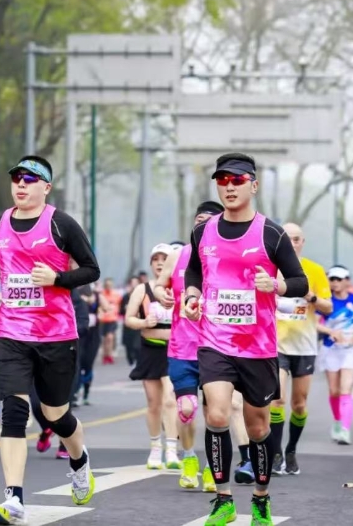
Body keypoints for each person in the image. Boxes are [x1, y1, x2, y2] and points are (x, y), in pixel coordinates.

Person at [183, 153, 309, 526]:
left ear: (253, 185)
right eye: (222, 180)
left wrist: (277, 285)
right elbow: (194, 270)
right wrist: (192, 296)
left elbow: (299, 281)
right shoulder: (203, 232)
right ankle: (223, 500)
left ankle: (260, 499)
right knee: (217, 414)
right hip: (215, 340)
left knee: (257, 428)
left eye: (237, 180)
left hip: (258, 346)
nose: (229, 186)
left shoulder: (271, 233)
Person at [0, 155, 99, 525]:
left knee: (54, 414)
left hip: (56, 335)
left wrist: (57, 279)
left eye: (30, 179)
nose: (21, 184)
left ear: (46, 187)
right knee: (14, 412)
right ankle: (13, 499)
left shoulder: (61, 223)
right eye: (17, 177)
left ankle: (79, 459)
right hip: (12, 332)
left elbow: (91, 269)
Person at [154, 203, 225, 492]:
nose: (201, 225)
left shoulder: (227, 256)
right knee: (186, 408)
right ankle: (189, 459)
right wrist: (162, 295)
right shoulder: (178, 255)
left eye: (208, 221)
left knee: (215, 414)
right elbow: (159, 284)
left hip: (216, 347)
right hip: (182, 348)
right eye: (198, 220)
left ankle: (212, 468)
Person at [271, 222, 332, 477]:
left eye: (296, 239)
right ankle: (275, 453)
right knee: (277, 399)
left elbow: (328, 308)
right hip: (277, 346)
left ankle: (291, 450)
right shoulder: (270, 269)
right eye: (287, 238)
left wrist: (311, 297)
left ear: (302, 242)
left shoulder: (314, 270)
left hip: (305, 346)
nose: (292, 243)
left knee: (299, 404)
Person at [125, 243, 180, 471]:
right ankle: (156, 448)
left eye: (164, 259)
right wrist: (143, 322)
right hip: (150, 350)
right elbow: (128, 319)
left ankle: (172, 450)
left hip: (174, 350)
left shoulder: (179, 287)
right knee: (154, 403)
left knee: (170, 399)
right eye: (155, 259)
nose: (159, 263)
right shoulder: (142, 289)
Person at [317, 265, 353, 446]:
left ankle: (345, 430)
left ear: (347, 281)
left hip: (351, 349)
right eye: (332, 279)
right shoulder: (326, 302)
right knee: (334, 391)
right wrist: (330, 331)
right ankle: (337, 421)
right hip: (331, 348)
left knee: (345, 390)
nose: (335, 283)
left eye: (339, 279)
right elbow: (313, 323)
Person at [98, 278, 122, 364]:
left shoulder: (117, 295)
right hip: (103, 320)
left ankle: (110, 355)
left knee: (110, 337)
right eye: (107, 285)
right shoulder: (101, 295)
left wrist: (118, 314)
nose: (109, 286)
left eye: (110, 285)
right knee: (104, 339)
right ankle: (105, 356)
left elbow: (120, 306)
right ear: (105, 285)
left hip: (112, 319)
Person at [120, 276, 141, 368]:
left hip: (138, 324)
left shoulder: (142, 296)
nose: (134, 285)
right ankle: (131, 361)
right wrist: (126, 309)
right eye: (133, 283)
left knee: (137, 345)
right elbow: (120, 311)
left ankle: (138, 362)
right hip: (128, 325)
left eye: (136, 283)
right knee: (128, 345)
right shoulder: (125, 297)